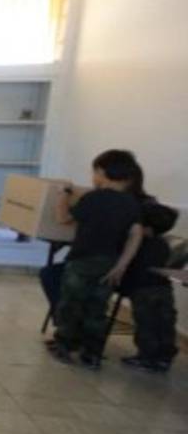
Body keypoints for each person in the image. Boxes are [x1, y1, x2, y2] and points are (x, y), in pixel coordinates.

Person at [46, 150, 143, 368]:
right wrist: (121, 265)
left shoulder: (93, 198)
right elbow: (135, 235)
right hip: (110, 264)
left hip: (82, 261)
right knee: (97, 309)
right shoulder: (131, 204)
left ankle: (65, 345)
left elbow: (63, 219)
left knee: (71, 304)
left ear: (101, 172)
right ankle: (92, 354)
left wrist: (63, 194)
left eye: (94, 171)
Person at [118, 202, 179, 372]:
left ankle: (146, 358)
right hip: (164, 289)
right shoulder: (163, 244)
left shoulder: (137, 243)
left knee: (146, 325)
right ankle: (164, 358)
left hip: (143, 290)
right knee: (165, 324)